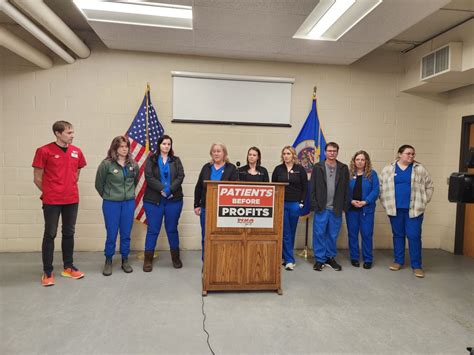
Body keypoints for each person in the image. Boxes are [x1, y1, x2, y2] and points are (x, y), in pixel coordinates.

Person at [32, 121, 87, 287]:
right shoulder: (44, 151)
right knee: (50, 233)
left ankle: (68, 267)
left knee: (69, 232)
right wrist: (50, 192)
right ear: (58, 133)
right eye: (69, 132)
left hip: (71, 199)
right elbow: (37, 178)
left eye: (72, 132)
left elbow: (76, 174)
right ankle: (48, 271)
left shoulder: (77, 152)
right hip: (52, 201)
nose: (72, 135)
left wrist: (66, 187)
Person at [380, 145, 434, 278]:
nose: (411, 156)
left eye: (413, 154)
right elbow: (381, 187)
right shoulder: (388, 169)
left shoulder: (419, 169)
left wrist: (423, 201)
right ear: (399, 154)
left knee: (414, 236)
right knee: (398, 235)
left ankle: (417, 266)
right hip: (395, 209)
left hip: (414, 210)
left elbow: (430, 186)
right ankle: (398, 261)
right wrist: (385, 203)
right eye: (408, 154)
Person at [95, 136, 138, 276]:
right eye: (121, 147)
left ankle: (125, 259)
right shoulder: (106, 164)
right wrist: (110, 195)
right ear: (115, 148)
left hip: (128, 203)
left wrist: (128, 195)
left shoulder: (133, 164)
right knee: (112, 233)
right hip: (111, 204)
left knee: (126, 233)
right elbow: (99, 184)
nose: (124, 149)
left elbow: (134, 182)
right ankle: (108, 260)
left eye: (126, 146)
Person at [143, 135, 185, 271]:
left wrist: (169, 190)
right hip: (154, 201)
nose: (166, 146)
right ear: (159, 145)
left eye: (169, 144)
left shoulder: (176, 160)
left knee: (172, 229)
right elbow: (148, 177)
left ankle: (175, 257)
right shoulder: (151, 160)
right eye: (164, 143)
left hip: (173, 200)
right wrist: (162, 189)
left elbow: (180, 176)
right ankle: (148, 259)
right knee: (153, 230)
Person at [310, 142, 350, 272]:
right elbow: (312, 188)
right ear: (325, 152)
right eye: (329, 151)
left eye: (334, 151)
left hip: (336, 208)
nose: (332, 153)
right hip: (321, 208)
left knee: (332, 235)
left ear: (337, 152)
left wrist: (344, 205)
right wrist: (315, 204)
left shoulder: (343, 168)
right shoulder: (318, 167)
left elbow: (346, 189)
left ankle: (330, 257)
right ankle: (319, 259)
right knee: (319, 233)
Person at [194, 143, 238, 258]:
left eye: (219, 151)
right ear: (211, 153)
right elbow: (199, 186)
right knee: (206, 236)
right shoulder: (206, 167)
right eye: (214, 151)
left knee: (222, 236)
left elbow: (235, 189)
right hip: (206, 207)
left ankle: (220, 262)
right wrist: (196, 205)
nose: (216, 153)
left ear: (224, 153)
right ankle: (206, 262)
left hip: (224, 210)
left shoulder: (231, 168)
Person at [271, 146, 308, 271]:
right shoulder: (278, 169)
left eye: (288, 153)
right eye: (284, 153)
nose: (286, 156)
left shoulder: (300, 169)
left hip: (295, 205)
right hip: (281, 204)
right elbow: (274, 187)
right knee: (286, 232)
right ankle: (290, 260)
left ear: (293, 155)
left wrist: (301, 203)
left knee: (291, 232)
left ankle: (284, 256)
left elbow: (305, 187)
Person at [346, 150, 379, 269]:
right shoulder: (349, 174)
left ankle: (368, 259)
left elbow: (376, 190)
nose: (360, 162)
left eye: (362, 160)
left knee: (367, 234)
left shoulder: (372, 174)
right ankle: (354, 258)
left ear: (366, 162)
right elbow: (344, 191)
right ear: (354, 161)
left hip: (366, 210)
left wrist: (366, 201)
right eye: (357, 159)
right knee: (353, 234)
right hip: (352, 209)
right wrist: (351, 200)